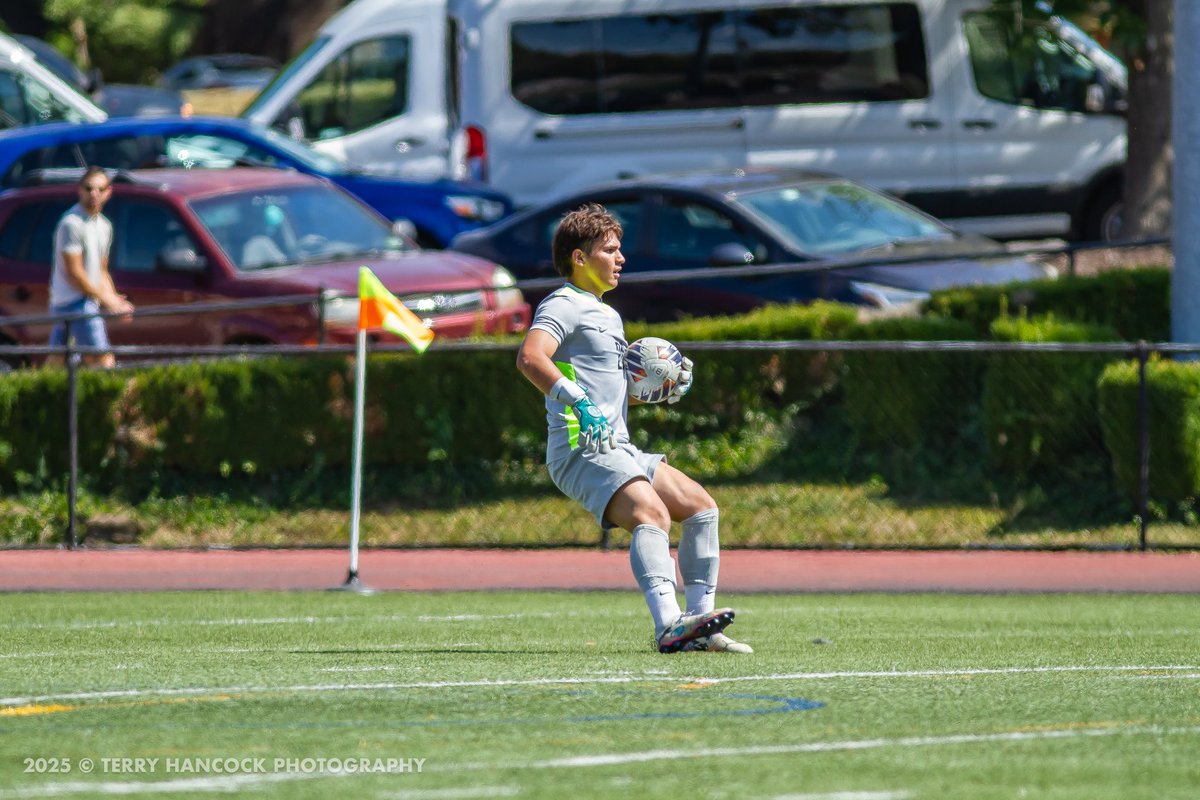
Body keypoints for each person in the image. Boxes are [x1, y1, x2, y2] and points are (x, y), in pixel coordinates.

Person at [516, 203, 752, 654]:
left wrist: (652, 390)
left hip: (617, 444)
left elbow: (601, 384)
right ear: (579, 258)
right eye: (609, 249)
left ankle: (700, 626)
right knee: (652, 515)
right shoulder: (564, 303)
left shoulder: (606, 312)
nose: (621, 258)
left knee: (701, 508)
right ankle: (669, 626)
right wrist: (577, 401)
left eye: (620, 249)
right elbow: (530, 358)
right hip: (581, 447)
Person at [47, 166, 134, 368]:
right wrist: (108, 302)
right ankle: (112, 398)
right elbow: (75, 273)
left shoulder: (104, 226)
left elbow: (101, 271)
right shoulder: (71, 223)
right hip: (72, 302)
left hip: (86, 301)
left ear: (108, 192)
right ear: (79, 190)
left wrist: (113, 298)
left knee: (57, 363)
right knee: (103, 360)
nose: (94, 194)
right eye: (88, 188)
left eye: (100, 189)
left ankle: (46, 397)